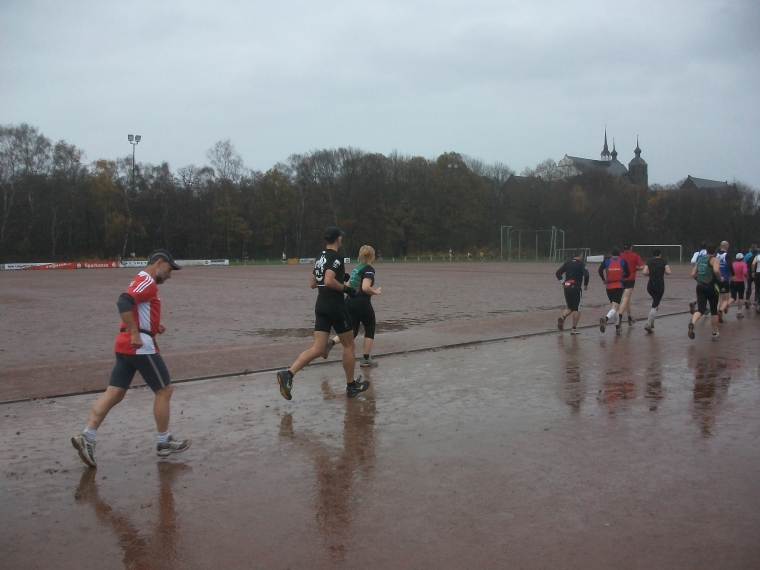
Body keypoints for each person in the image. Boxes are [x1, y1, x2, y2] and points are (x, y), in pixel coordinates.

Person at [71, 250, 189, 468]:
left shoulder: (141, 280)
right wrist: (137, 332)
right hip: (139, 346)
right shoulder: (147, 281)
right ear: (159, 263)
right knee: (164, 390)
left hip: (125, 344)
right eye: (170, 270)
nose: (170, 275)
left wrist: (152, 326)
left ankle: (87, 437)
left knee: (114, 393)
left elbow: (136, 306)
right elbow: (124, 301)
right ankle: (163, 441)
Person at [276, 226, 370, 400]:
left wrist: (338, 278)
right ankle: (351, 386)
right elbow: (328, 280)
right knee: (349, 345)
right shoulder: (337, 257)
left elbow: (313, 283)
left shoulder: (320, 257)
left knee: (318, 348)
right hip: (335, 306)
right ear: (337, 239)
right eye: (340, 237)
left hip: (321, 305)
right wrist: (347, 289)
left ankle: (288, 374)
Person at [324, 245, 383, 367]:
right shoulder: (369, 270)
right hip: (361, 302)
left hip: (349, 301)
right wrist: (375, 292)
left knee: (352, 331)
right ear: (372, 256)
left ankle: (331, 342)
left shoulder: (356, 268)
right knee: (370, 328)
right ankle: (366, 359)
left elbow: (348, 284)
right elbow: (365, 287)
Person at [688, 243, 724, 340]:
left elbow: (692, 274)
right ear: (715, 251)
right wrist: (720, 278)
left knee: (700, 309)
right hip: (712, 287)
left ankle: (693, 323)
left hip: (700, 286)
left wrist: (700, 279)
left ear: (706, 250)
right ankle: (714, 332)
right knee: (713, 310)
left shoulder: (700, 260)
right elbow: (716, 270)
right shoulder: (715, 260)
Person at [555, 249, 589, 335]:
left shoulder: (568, 263)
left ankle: (562, 317)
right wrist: (585, 284)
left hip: (567, 287)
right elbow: (587, 275)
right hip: (576, 287)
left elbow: (558, 273)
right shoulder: (581, 263)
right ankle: (574, 329)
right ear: (581, 255)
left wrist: (562, 282)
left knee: (570, 307)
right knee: (577, 308)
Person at [598, 247, 630, 334]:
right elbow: (628, 273)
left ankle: (617, 327)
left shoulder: (607, 261)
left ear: (611, 254)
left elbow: (600, 270)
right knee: (615, 307)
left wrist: (603, 279)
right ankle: (605, 319)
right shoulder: (622, 261)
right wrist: (623, 277)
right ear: (619, 254)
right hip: (619, 285)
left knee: (614, 307)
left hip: (609, 286)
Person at [642, 247, 671, 333]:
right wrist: (663, 271)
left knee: (655, 302)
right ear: (660, 254)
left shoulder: (649, 262)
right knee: (655, 305)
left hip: (650, 285)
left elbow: (644, 272)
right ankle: (648, 323)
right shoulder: (663, 262)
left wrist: (651, 273)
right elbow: (669, 272)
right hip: (659, 285)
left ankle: (652, 323)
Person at [618, 243, 644, 326]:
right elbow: (642, 267)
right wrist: (634, 268)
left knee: (627, 299)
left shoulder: (620, 255)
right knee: (626, 298)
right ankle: (620, 316)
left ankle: (629, 318)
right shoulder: (635, 255)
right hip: (630, 279)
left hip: (621, 278)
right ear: (631, 248)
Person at [715, 241, 733, 322]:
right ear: (727, 247)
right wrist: (732, 274)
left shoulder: (715, 255)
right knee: (726, 299)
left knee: (718, 298)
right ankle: (720, 311)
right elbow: (729, 265)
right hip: (724, 278)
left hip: (716, 279)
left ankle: (717, 314)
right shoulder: (727, 255)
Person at [689, 242, 708, 314]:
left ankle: (695, 302)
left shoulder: (697, 253)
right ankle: (704, 307)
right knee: (706, 290)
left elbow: (693, 261)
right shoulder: (708, 253)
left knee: (700, 288)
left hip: (697, 274)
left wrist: (695, 267)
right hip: (706, 274)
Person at [729, 252, 747, 318]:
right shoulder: (743, 264)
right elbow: (745, 272)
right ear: (742, 258)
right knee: (740, 297)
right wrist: (746, 276)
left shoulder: (733, 264)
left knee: (733, 297)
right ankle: (739, 311)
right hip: (740, 282)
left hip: (733, 281)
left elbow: (730, 271)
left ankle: (727, 304)